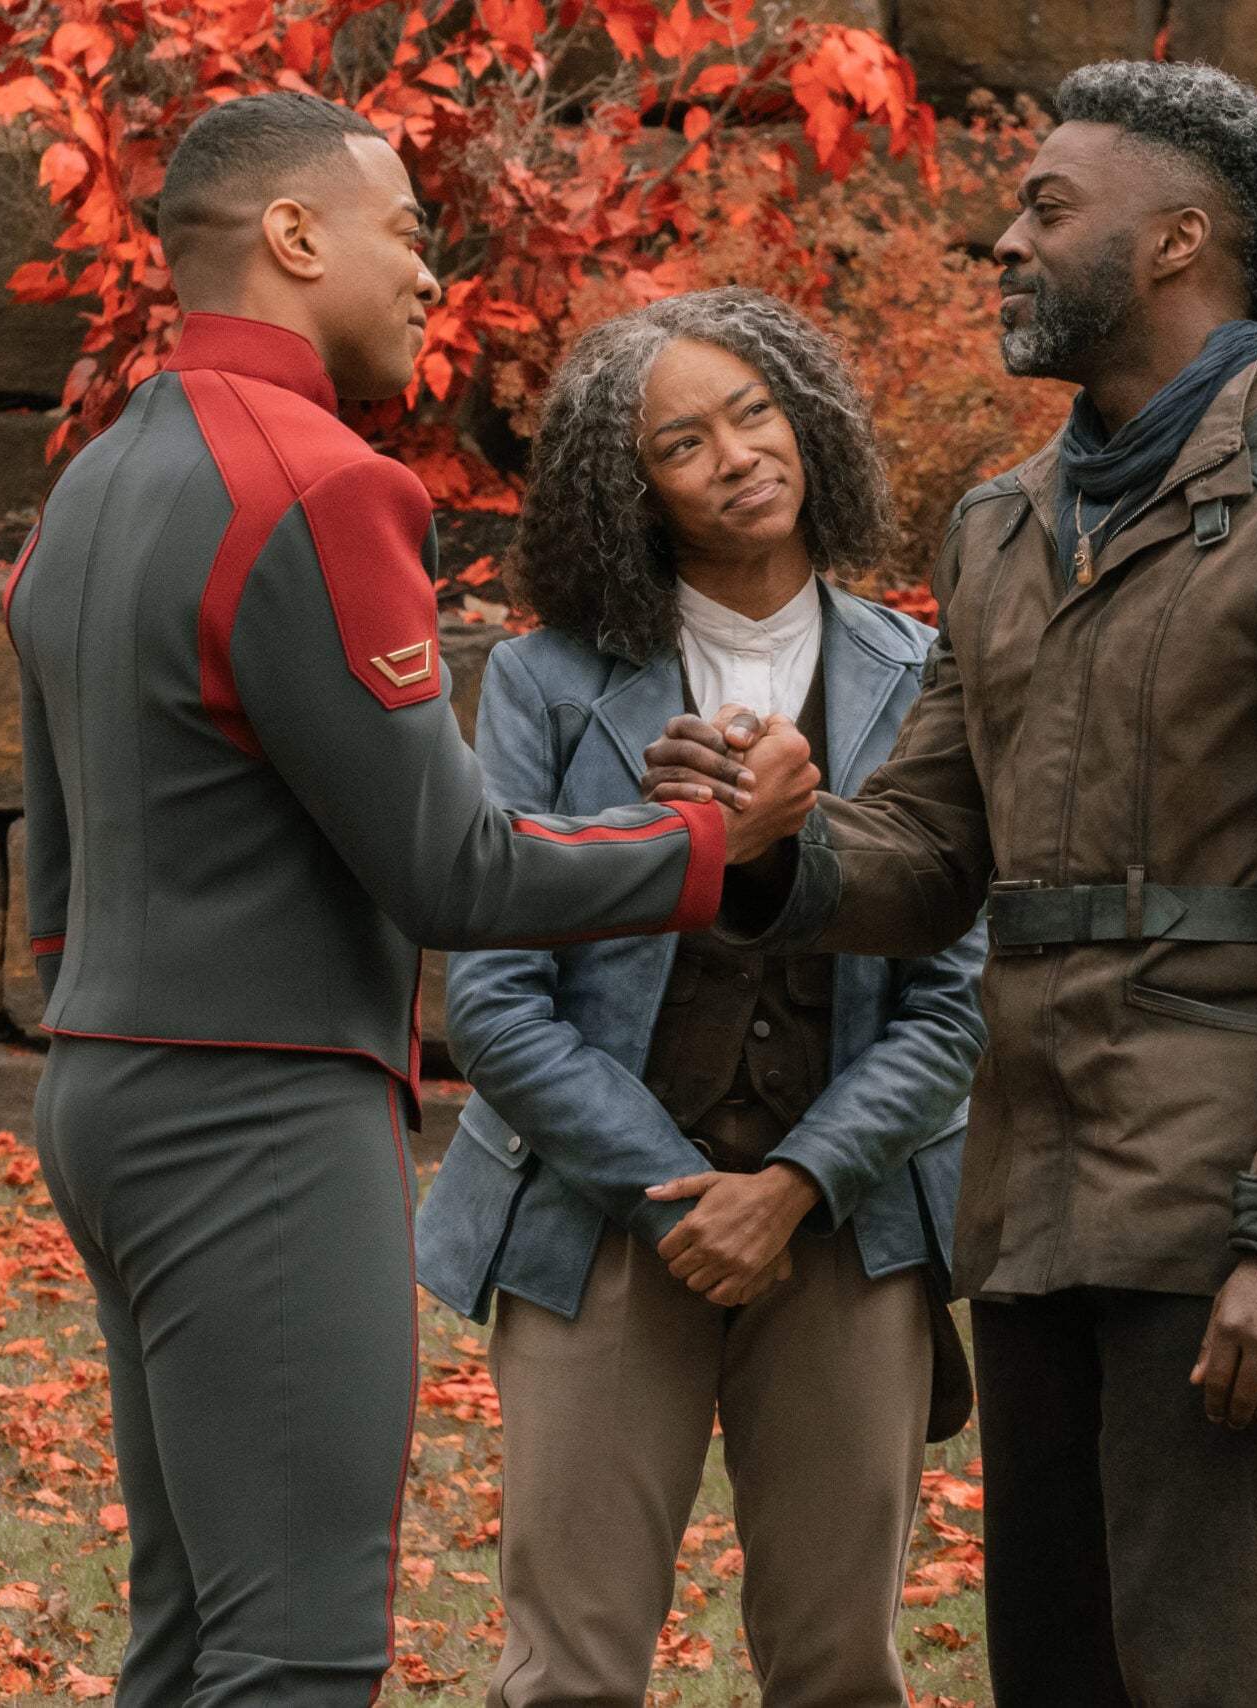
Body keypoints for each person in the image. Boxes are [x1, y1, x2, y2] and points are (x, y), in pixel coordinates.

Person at [643, 61, 1257, 1708]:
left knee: (1215, 1679)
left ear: (1178, 241)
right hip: (1030, 1205)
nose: (1001, 242)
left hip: (1220, 1215)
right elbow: (929, 857)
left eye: (1045, 206)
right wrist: (774, 844)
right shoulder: (1006, 526)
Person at [6, 94, 818, 1708]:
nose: (434, 275)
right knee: (296, 1654)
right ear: (296, 240)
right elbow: (452, 869)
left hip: (104, 1082)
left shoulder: (95, 483)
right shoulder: (325, 486)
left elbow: (59, 879)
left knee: (188, 1637)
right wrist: (714, 845)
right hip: (262, 1106)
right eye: (411, 235)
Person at [414, 288, 989, 1708]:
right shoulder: (549, 686)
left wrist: (792, 1186)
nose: (738, 453)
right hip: (602, 1220)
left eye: (754, 411)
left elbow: (955, 1003)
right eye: (684, 441)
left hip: (843, 1227)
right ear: (631, 493)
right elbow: (495, 995)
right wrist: (679, 1193)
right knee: (569, 1671)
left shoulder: (930, 677)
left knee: (841, 1664)